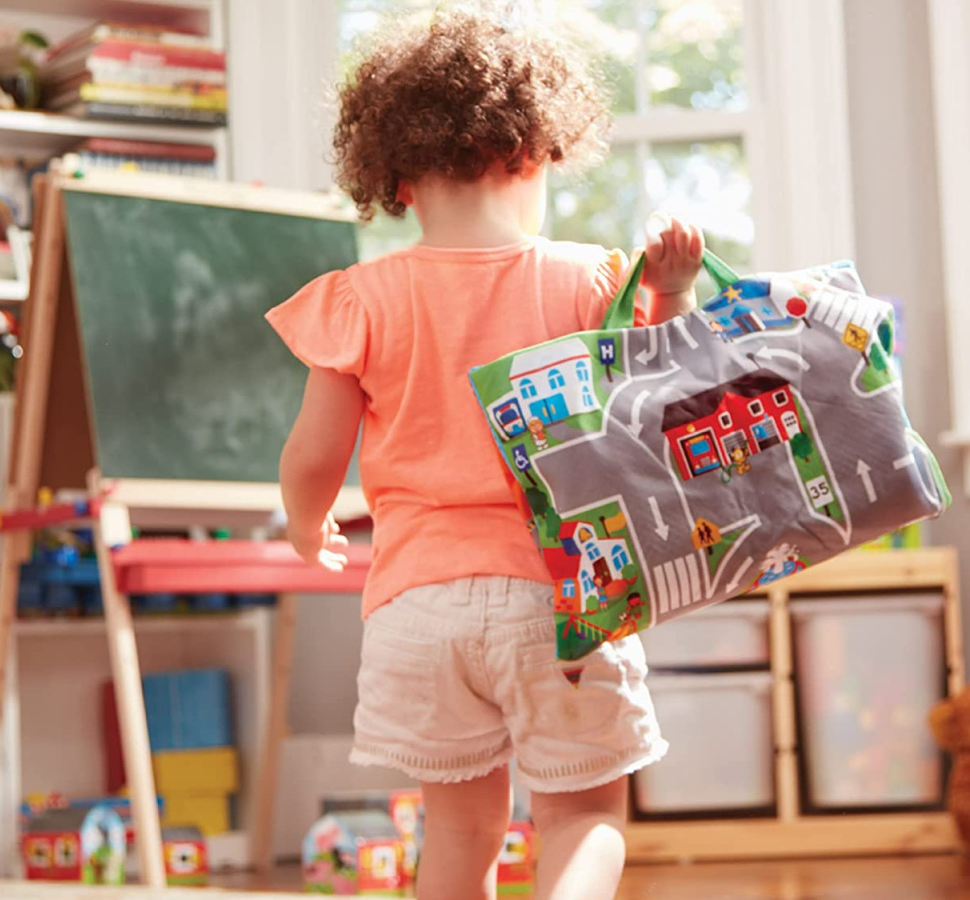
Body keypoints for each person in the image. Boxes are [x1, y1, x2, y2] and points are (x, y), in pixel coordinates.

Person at [267, 10, 704, 900]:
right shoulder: (586, 281)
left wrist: (307, 527)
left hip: (415, 610)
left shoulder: (361, 300)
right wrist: (670, 292)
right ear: (537, 150)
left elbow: (314, 452)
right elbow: (660, 395)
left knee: (460, 833)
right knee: (583, 817)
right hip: (563, 596)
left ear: (391, 178)